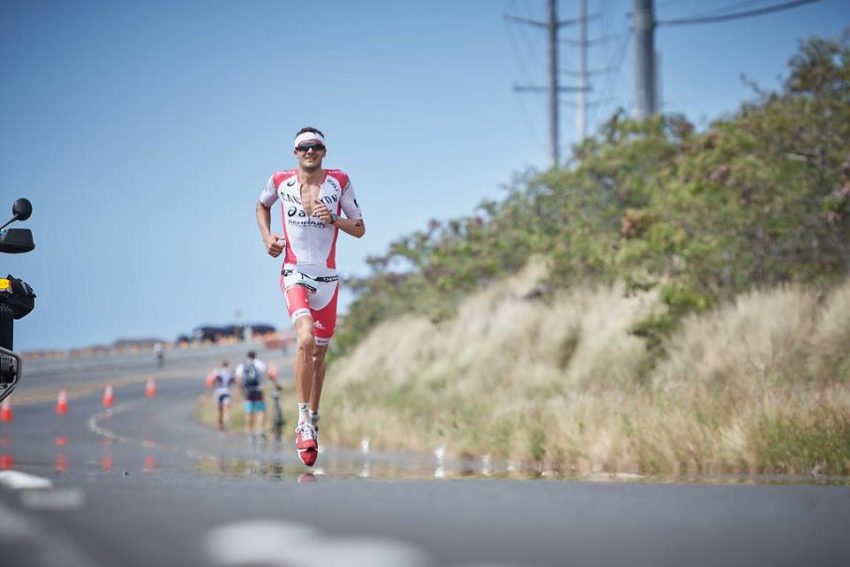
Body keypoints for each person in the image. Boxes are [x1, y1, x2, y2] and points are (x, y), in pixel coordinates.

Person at [256, 126, 365, 466]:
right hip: (295, 272)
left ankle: (314, 419)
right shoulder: (280, 181)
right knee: (304, 339)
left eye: (315, 146)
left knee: (318, 358)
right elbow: (261, 206)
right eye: (304, 147)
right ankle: (302, 421)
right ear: (295, 153)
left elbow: (360, 228)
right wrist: (267, 237)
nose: (310, 151)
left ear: (324, 151)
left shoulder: (340, 182)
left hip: (328, 279)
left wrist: (334, 219)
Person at [235, 351, 279, 440]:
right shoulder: (259, 364)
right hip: (258, 390)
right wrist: (275, 384)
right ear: (255, 356)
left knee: (249, 412)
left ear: (247, 356)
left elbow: (238, 380)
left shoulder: (242, 365)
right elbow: (268, 374)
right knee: (261, 411)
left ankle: (250, 432)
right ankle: (261, 431)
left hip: (248, 392)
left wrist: (241, 392)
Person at [210, 360, 236, 431]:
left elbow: (212, 382)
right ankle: (225, 418)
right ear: (227, 364)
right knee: (226, 408)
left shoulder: (217, 371)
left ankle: (220, 425)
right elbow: (233, 381)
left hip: (219, 392)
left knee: (219, 410)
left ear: (221, 364)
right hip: (227, 391)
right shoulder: (231, 372)